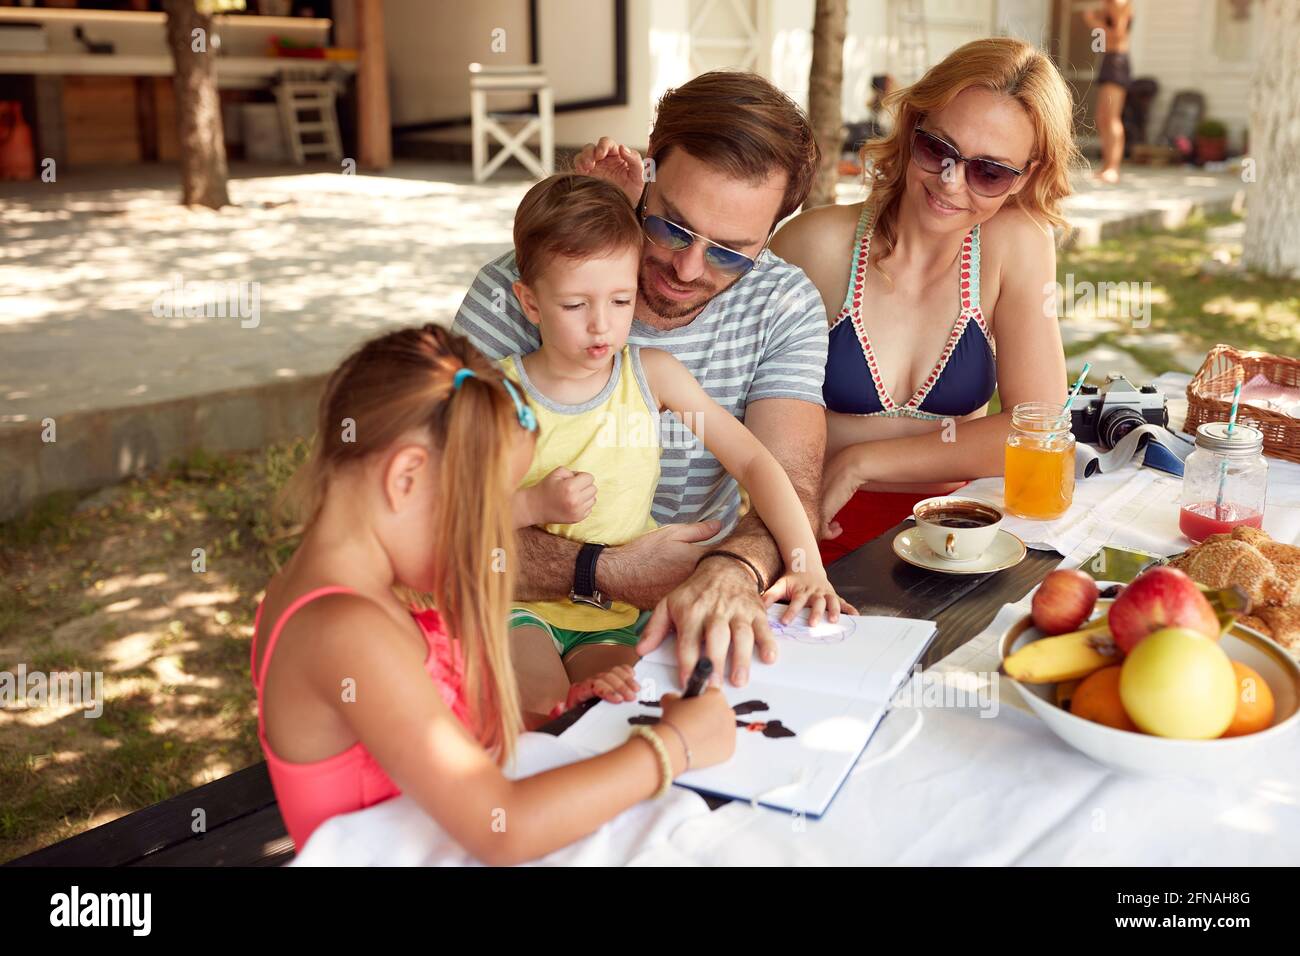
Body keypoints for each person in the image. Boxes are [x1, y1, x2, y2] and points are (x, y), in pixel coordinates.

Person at [250, 324, 736, 862]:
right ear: (406, 477)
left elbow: (425, 740)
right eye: (489, 509)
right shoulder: (345, 629)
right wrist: (672, 748)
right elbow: (501, 830)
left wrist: (557, 714)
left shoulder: (340, 594)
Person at [454, 71, 841, 689]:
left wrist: (731, 570)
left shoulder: (782, 303)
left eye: (730, 252)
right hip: (525, 606)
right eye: (672, 226)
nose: (687, 269)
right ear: (647, 175)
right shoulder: (517, 292)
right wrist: (604, 569)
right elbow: (436, 528)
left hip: (666, 613)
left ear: (770, 237)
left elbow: (782, 474)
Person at [501, 173, 849, 724]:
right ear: (531, 303)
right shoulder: (496, 397)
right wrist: (531, 507)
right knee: (542, 712)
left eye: (619, 300)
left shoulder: (652, 375)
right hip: (516, 608)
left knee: (619, 712)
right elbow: (453, 516)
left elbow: (756, 461)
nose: (601, 326)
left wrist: (806, 562)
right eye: (574, 305)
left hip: (612, 615)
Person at [769, 37, 1079, 563]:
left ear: (1026, 175)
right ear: (913, 126)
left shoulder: (1017, 244)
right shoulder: (814, 245)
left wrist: (863, 460)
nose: (951, 182)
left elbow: (1038, 426)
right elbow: (737, 407)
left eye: (989, 171)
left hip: (958, 530)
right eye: (939, 149)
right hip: (808, 523)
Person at [1084, 0, 1134, 184]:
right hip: (1109, 59)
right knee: (1102, 116)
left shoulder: (1120, 5)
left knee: (1112, 117)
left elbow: (1118, 36)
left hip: (1117, 62)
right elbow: (1102, 42)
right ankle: (1107, 166)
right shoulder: (1108, 5)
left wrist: (1093, 22)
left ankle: (1113, 168)